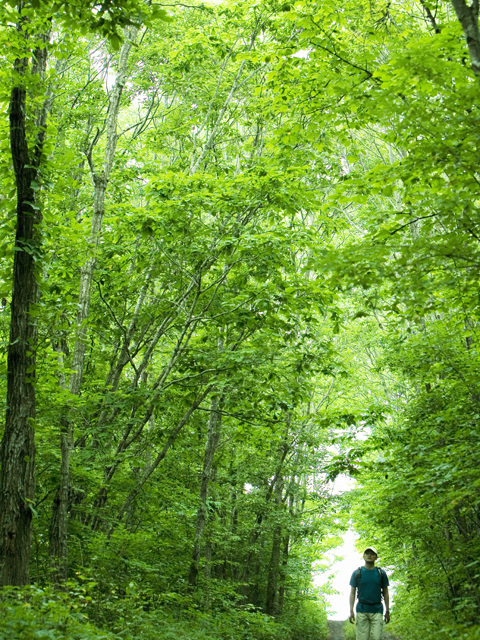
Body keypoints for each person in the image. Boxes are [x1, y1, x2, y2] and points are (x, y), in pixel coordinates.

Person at [349, 546, 390, 640]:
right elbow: (352, 593)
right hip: (362, 609)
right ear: (363, 556)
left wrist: (387, 611)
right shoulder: (357, 573)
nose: (369, 555)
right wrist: (351, 611)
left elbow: (386, 593)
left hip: (377, 610)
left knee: (377, 637)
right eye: (367, 553)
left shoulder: (381, 573)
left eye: (372, 554)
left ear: (376, 557)